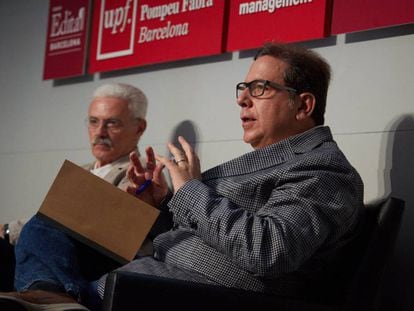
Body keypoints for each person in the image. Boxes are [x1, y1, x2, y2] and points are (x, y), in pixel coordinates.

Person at [0, 42, 364, 310]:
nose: (242, 100)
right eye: (243, 88)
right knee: (50, 222)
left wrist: (190, 188)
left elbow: (268, 250)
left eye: (260, 89)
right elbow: (203, 233)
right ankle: (52, 295)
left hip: (187, 293)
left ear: (303, 105)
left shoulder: (324, 169)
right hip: (155, 270)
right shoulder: (275, 161)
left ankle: (53, 299)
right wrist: (161, 203)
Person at [0, 82, 165, 291]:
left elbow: (101, 226)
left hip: (108, 257)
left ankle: (58, 293)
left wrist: (8, 230)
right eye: (94, 121)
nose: (100, 132)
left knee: (39, 225)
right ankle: (46, 293)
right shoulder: (81, 171)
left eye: (112, 123)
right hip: (65, 251)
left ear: (139, 128)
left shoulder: (140, 175)